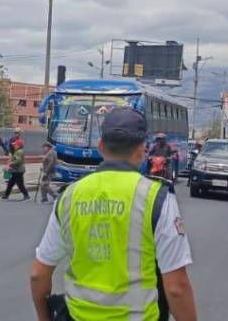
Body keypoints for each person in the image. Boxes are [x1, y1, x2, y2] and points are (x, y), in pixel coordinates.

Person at [30, 108, 198, 321]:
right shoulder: (158, 198)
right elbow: (176, 288)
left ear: (100, 146)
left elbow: (38, 274)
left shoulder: (70, 195)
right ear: (142, 149)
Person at [2, 135, 29, 201]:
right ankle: (6, 195)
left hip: (18, 170)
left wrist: (10, 164)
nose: (14, 146)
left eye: (15, 145)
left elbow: (18, 160)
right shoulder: (18, 151)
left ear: (18, 145)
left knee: (18, 184)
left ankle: (26, 195)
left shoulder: (19, 152)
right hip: (17, 170)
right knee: (11, 183)